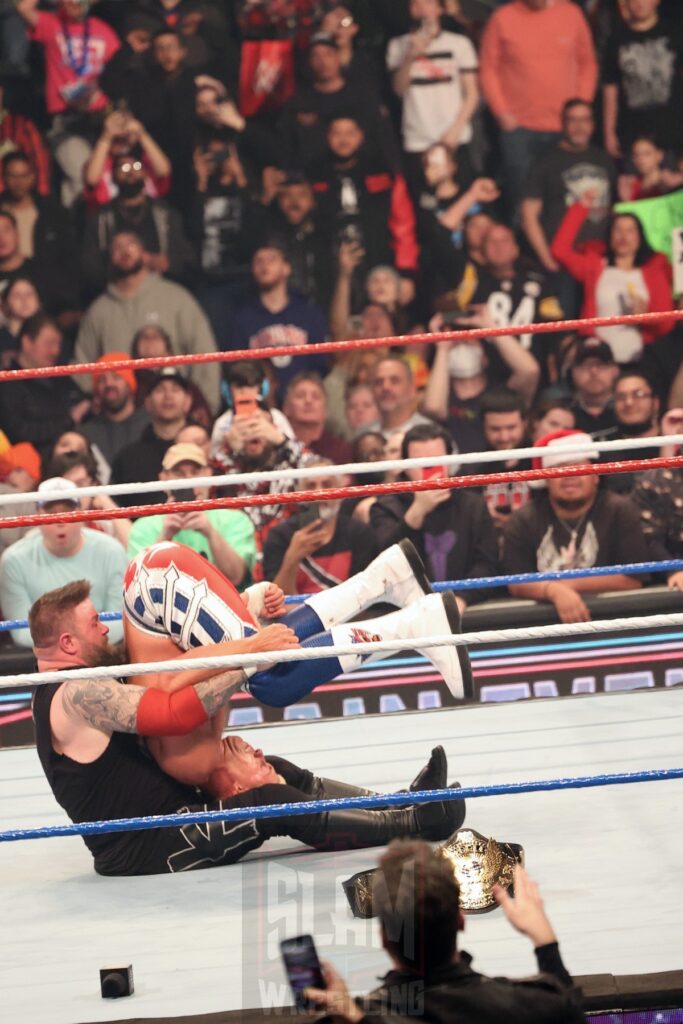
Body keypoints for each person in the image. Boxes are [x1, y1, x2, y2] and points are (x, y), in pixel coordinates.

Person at [30, 575, 465, 876]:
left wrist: (244, 606)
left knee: (276, 768)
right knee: (271, 802)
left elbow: (162, 658)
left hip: (174, 812)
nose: (105, 630)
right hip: (145, 846)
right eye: (93, 625)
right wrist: (250, 658)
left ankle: (396, 803)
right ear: (68, 643)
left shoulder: (81, 683)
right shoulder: (76, 696)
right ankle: (413, 824)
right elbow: (165, 704)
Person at [304, 841, 586, 1024]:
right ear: (460, 921)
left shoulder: (359, 1016)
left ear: (383, 938)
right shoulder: (532, 1007)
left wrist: (352, 1016)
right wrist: (545, 943)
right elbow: (568, 1012)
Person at [503, 430, 651, 624]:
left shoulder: (620, 511)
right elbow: (516, 583)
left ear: (596, 475)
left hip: (615, 623)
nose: (569, 475)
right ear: (545, 479)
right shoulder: (523, 519)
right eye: (559, 467)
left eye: (577, 466)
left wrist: (564, 586)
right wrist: (554, 591)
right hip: (543, 629)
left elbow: (632, 579)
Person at [75, 230, 220, 413]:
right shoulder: (98, 311)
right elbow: (81, 366)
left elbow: (205, 355)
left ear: (145, 254)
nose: (124, 251)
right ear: (110, 259)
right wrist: (99, 404)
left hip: (177, 416)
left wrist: (205, 407)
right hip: (118, 420)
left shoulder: (177, 298)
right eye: (117, 248)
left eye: (131, 244)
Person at [479, 0, 597, 215]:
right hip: (519, 130)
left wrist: (580, 108)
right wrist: (502, 112)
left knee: (567, 200)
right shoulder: (503, 18)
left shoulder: (571, 14)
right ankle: (523, 247)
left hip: (565, 128)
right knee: (522, 203)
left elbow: (587, 63)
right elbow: (488, 69)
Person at [371, 423, 499, 611]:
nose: (429, 470)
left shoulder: (473, 506)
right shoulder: (385, 507)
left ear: (449, 461)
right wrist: (416, 513)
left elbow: (488, 565)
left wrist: (462, 598)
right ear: (404, 466)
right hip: (403, 614)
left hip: (465, 610)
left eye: (436, 461)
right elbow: (381, 569)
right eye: (419, 463)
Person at [14, 0, 120, 206]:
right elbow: (23, 8)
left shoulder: (103, 30)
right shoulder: (52, 24)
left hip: (99, 117)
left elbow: (118, 71)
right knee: (81, 177)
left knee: (103, 178)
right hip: (66, 119)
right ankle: (78, 228)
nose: (75, 3)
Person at [0, 477, 127, 647]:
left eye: (67, 511)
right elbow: (21, 631)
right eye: (51, 513)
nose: (60, 521)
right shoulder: (14, 561)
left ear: (81, 514)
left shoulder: (111, 551)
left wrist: (77, 642)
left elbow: (120, 620)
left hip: (102, 652)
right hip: (43, 659)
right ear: (37, 516)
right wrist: (68, 643)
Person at [551, 192, 674, 365]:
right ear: (609, 236)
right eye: (618, 230)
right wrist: (580, 208)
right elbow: (559, 251)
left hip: (640, 360)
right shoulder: (595, 267)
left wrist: (646, 315)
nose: (623, 236)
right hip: (598, 360)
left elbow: (666, 325)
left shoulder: (654, 272)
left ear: (640, 237)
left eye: (630, 230)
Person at [520, 99, 616, 316]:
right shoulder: (545, 162)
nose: (579, 126)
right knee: (568, 323)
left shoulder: (604, 159)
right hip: (564, 261)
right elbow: (528, 214)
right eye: (572, 120)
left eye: (584, 120)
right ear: (562, 123)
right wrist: (546, 258)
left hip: (601, 260)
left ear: (593, 124)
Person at [127, 441, 256, 587]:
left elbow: (236, 578)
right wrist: (165, 535)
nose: (188, 480)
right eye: (178, 473)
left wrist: (210, 532)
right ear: (163, 478)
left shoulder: (236, 520)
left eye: (195, 472)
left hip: (224, 606)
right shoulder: (143, 528)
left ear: (208, 474)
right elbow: (139, 585)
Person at [423, 307, 540, 453]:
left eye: (468, 341)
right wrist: (442, 348)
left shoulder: (502, 393)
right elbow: (433, 408)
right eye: (455, 343)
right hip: (462, 471)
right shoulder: (443, 395)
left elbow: (529, 371)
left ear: (485, 355)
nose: (461, 346)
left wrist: (491, 327)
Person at [80, 149, 195, 296]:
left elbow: (187, 259)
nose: (131, 172)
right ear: (113, 176)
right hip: (117, 296)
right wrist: (122, 266)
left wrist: (166, 263)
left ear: (146, 174)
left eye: (137, 167)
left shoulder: (164, 213)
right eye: (124, 168)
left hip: (161, 293)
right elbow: (89, 268)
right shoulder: (101, 218)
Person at [386, 0, 479, 179]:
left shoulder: (459, 43)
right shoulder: (397, 45)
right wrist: (411, 56)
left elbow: (472, 93)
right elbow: (398, 89)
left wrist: (456, 130)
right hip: (418, 137)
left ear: (439, 9)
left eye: (427, 3)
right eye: (415, 5)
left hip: (455, 136)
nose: (422, 9)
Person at [229, 239, 328, 401]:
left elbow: (320, 367)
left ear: (286, 268)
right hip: (260, 402)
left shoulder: (308, 314)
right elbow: (238, 369)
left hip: (302, 403)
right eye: (259, 261)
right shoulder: (243, 318)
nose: (264, 266)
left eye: (272, 259)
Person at [263, 457, 377, 595]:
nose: (319, 492)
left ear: (341, 490)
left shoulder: (359, 533)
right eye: (311, 486)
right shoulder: (280, 536)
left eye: (327, 484)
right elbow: (277, 604)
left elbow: (362, 595)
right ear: (298, 493)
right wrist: (292, 559)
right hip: (295, 614)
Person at [0, 312, 89, 462]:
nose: (56, 351)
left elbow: (82, 403)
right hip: (29, 466)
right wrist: (68, 419)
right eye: (49, 343)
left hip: (71, 460)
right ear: (27, 342)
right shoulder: (8, 383)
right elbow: (19, 433)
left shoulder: (61, 378)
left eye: (58, 344)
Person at [602, 0, 683, 160]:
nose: (640, 3)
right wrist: (609, 133)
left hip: (672, 131)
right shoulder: (616, 39)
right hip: (631, 134)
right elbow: (610, 89)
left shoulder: (675, 33)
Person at [110, 366, 193, 509]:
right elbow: (114, 506)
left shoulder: (204, 446)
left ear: (188, 401)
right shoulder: (129, 457)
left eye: (175, 389)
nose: (168, 396)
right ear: (147, 403)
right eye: (160, 390)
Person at [45, 450, 132, 549]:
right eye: (67, 486)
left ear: (93, 484)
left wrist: (107, 503)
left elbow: (134, 547)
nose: (74, 493)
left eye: (80, 484)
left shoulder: (105, 524)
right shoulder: (46, 527)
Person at [80, 351, 149, 466]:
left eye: (116, 377)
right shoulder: (86, 433)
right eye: (101, 379)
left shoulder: (150, 426)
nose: (109, 384)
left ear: (129, 384)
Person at [282, 372, 352, 465]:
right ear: (286, 407)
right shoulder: (277, 445)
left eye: (316, 397)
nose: (308, 401)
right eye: (300, 396)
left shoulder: (340, 449)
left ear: (326, 409)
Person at [367, 357, 431, 442]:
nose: (386, 387)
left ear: (411, 389)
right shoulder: (363, 435)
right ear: (371, 390)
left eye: (395, 380)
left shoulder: (431, 435)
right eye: (379, 382)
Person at [567, 337, 619, 437]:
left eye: (601, 365)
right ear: (573, 372)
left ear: (615, 370)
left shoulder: (629, 408)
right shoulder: (564, 415)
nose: (593, 372)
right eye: (586, 365)